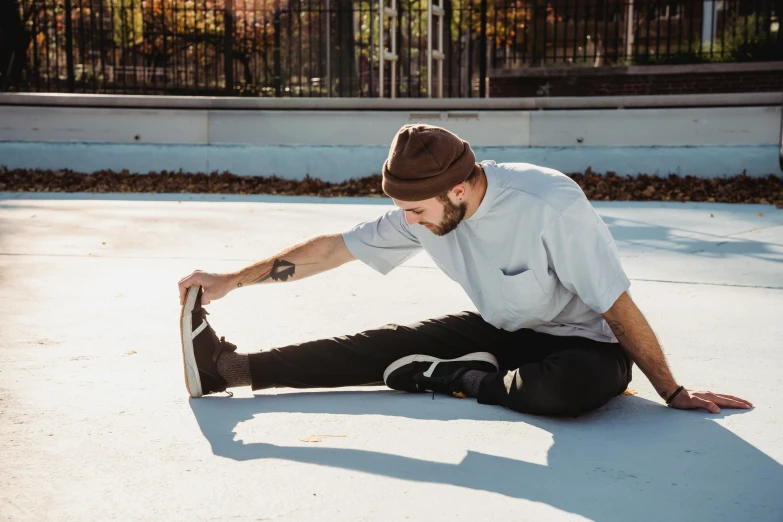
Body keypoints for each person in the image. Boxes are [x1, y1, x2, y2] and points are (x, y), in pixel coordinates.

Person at [177, 124, 752, 417]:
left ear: (458, 189)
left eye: (418, 213)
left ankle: (459, 377)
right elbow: (331, 250)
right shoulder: (425, 210)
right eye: (404, 213)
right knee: (377, 346)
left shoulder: (549, 205)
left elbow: (616, 305)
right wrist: (233, 279)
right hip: (505, 333)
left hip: (587, 345)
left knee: (567, 390)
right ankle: (229, 369)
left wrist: (672, 391)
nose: (411, 224)